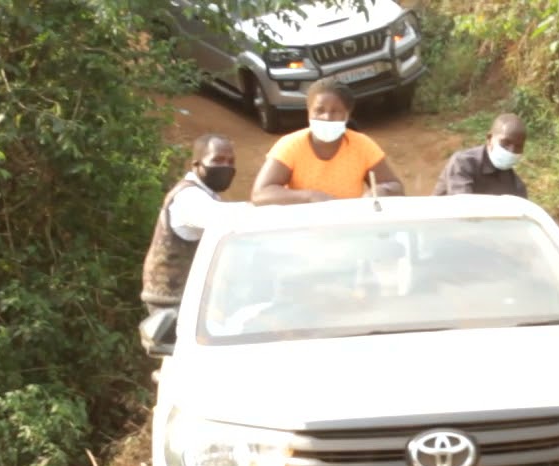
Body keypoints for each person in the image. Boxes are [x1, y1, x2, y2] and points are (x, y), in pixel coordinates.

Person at [251, 78, 404, 205]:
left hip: (349, 227)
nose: (327, 117)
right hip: (304, 230)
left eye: (335, 111)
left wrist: (382, 191)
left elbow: (396, 187)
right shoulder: (290, 146)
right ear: (308, 111)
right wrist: (310, 197)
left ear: (347, 115)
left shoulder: (362, 145)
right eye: (319, 110)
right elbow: (260, 194)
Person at [141, 133, 237, 314]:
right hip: (169, 300)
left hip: (183, 297)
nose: (226, 166)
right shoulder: (189, 197)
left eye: (231, 161)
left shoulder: (207, 194)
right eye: (218, 160)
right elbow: (224, 220)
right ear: (196, 165)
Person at [432, 113, 528, 198]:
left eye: (518, 146)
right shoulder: (462, 164)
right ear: (489, 139)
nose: (511, 151)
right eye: (505, 143)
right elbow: (462, 207)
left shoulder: (517, 186)